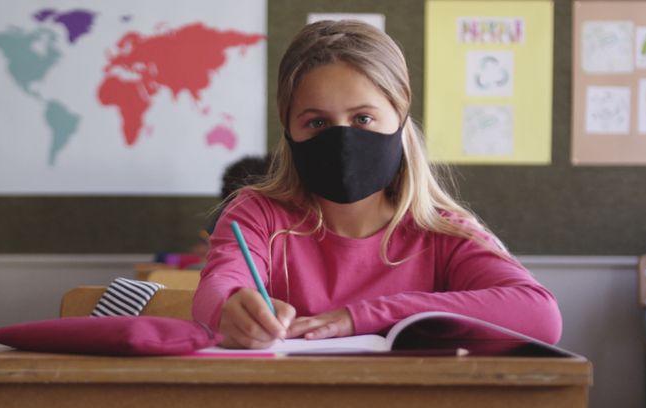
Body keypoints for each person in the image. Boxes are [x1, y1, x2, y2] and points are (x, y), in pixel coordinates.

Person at [193, 21, 561, 349]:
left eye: (363, 118)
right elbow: (215, 291)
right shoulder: (258, 214)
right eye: (317, 123)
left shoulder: (441, 232)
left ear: (399, 120)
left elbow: (540, 316)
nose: (342, 139)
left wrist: (362, 316)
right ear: (288, 129)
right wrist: (231, 307)